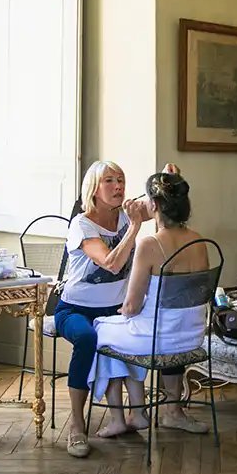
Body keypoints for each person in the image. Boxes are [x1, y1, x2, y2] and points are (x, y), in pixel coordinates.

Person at [88, 171, 210, 437]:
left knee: (102, 331)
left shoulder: (149, 244)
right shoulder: (200, 241)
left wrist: (123, 311)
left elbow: (131, 307)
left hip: (157, 340)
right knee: (150, 326)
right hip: (192, 337)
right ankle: (173, 413)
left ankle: (122, 417)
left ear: (153, 205)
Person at [54, 160, 144, 457]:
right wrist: (134, 228)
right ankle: (77, 426)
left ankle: (142, 414)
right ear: (93, 189)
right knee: (87, 338)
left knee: (147, 324)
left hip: (113, 310)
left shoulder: (124, 216)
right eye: (109, 180)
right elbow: (111, 262)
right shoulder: (81, 224)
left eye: (121, 179)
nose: (118, 186)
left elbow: (162, 204)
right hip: (74, 310)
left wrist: (169, 179)